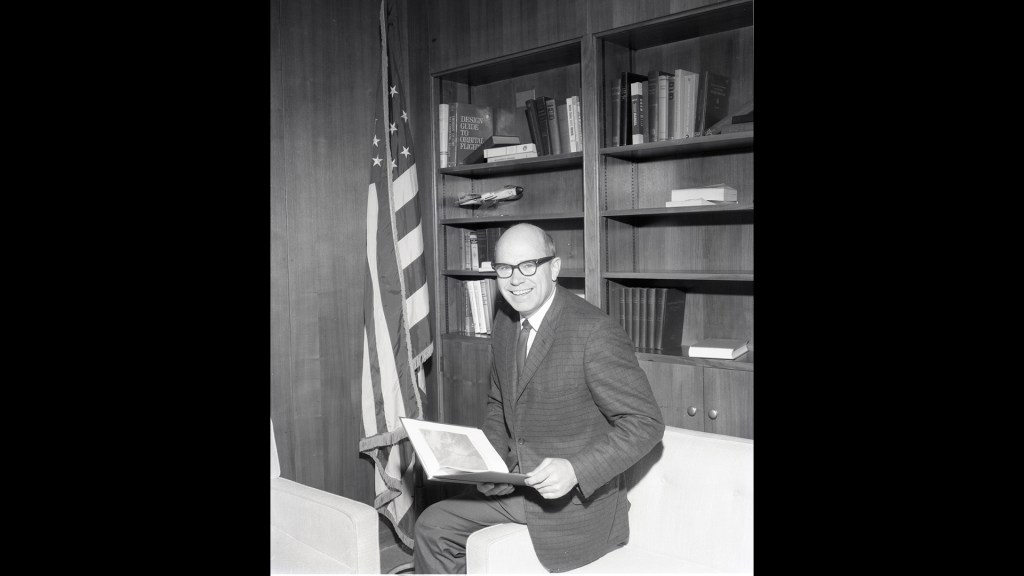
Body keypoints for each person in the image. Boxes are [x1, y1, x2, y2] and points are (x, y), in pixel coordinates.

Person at [413, 223, 665, 573]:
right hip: (518, 483)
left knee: (434, 524)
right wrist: (491, 462)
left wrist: (576, 470)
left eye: (528, 265)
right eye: (504, 268)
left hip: (576, 503)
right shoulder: (505, 320)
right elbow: (500, 402)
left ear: (555, 268)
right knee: (435, 522)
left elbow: (646, 423)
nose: (516, 279)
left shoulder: (594, 332)